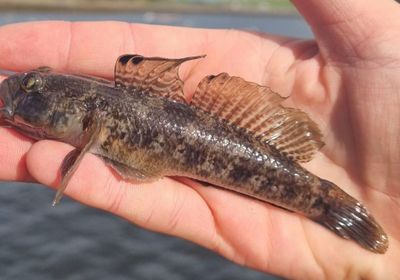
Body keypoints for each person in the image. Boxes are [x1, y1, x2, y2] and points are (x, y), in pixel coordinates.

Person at [0, 0, 399, 278]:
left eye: (33, 84)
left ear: (79, 107)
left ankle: (321, 203)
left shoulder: (95, 109)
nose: (23, 88)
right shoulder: (93, 109)